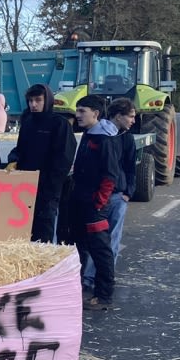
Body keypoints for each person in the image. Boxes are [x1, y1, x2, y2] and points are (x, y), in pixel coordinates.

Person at [68, 95, 121, 311]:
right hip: (80, 201)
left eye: (82, 111)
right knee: (79, 247)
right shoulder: (89, 134)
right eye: (77, 110)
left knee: (100, 250)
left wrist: (99, 203)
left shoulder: (104, 139)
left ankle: (104, 295)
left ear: (96, 114)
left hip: (94, 206)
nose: (78, 115)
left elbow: (110, 176)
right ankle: (77, 288)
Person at [83, 98, 137, 295]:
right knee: (97, 241)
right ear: (117, 116)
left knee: (111, 240)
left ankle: (104, 280)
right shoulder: (100, 136)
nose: (133, 121)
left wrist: (127, 193)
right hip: (101, 196)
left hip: (117, 197)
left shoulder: (127, 139)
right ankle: (89, 278)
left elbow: (131, 167)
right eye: (130, 116)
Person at [11, 83, 76, 244]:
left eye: (38, 100)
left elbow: (64, 158)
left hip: (48, 187)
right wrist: (13, 159)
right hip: (26, 186)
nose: (33, 104)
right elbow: (21, 148)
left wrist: (51, 186)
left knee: (45, 230)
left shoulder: (59, 124)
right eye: (31, 100)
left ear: (47, 100)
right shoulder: (28, 122)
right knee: (26, 230)